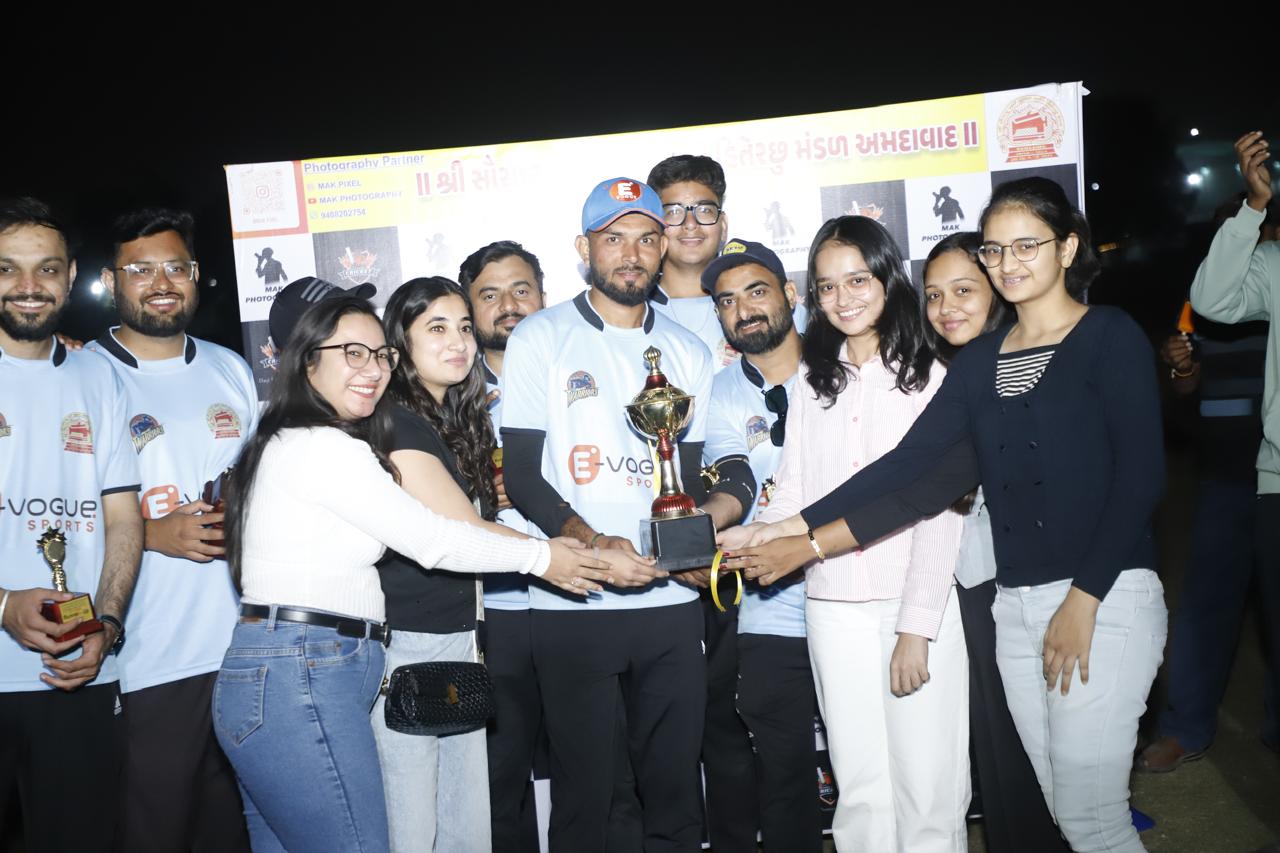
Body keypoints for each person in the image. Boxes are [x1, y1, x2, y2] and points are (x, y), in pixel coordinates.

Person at [728, 177, 1168, 853]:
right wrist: (785, 530)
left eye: (1026, 245)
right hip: (1015, 609)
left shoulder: (1108, 335)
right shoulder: (981, 362)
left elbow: (1141, 480)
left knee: (1091, 817)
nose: (1008, 262)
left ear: (1067, 247)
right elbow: (909, 474)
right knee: (1062, 806)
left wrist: (1084, 599)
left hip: (1101, 596)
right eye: (995, 249)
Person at [212, 295, 612, 853]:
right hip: (302, 668)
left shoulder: (292, 438)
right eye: (352, 353)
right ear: (307, 360)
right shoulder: (323, 446)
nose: (373, 369)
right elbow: (432, 539)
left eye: (380, 355)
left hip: (291, 666)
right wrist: (545, 558)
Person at [500, 176, 743, 852]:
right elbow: (522, 476)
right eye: (614, 239)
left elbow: (680, 484)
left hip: (668, 604)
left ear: (663, 247)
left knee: (673, 790)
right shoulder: (540, 337)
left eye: (645, 239)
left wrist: (689, 554)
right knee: (588, 799)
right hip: (574, 597)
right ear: (585, 249)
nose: (631, 254)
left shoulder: (689, 353)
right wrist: (595, 542)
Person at [727, 216, 966, 852]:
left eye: (858, 280)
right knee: (860, 788)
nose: (843, 298)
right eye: (828, 286)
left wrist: (917, 626)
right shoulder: (812, 381)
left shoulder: (933, 375)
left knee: (927, 788)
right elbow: (798, 490)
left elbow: (941, 509)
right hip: (832, 605)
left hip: (915, 604)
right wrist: (750, 537)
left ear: (889, 279)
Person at [89, 208, 256, 852]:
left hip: (241, 649)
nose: (161, 283)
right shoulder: (83, 373)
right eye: (141, 270)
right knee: (152, 831)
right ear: (111, 281)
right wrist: (151, 534)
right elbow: (51, 513)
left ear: (195, 275)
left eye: (175, 268)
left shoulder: (229, 367)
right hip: (147, 657)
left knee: (231, 832)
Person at [0, 197, 144, 853]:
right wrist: (4, 604)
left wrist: (107, 624)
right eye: (8, 268)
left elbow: (122, 517)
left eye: (47, 269)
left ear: (70, 275)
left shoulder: (99, 376)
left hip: (77, 673)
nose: (29, 286)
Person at [921, 232, 1069, 853]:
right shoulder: (936, 374)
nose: (946, 307)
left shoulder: (1035, 364)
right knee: (1000, 742)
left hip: (1040, 582)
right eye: (933, 295)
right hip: (969, 585)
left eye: (963, 290)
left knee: (1051, 746)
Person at [699, 238, 821, 852]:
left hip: (853, 585)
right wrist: (701, 529)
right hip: (768, 602)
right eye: (726, 301)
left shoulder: (845, 366)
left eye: (756, 292)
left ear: (790, 295)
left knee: (869, 758)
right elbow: (734, 475)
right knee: (784, 772)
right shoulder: (719, 391)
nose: (743, 309)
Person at [1175, 130, 1280, 769]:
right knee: (1212, 600)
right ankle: (1187, 725)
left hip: (1255, 464)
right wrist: (1252, 208)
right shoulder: (1253, 274)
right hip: (1241, 471)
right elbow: (1207, 306)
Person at [459, 240, 547, 853]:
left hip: (585, 599)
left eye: (521, 290)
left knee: (598, 766)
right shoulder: (447, 386)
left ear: (545, 295)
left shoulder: (580, 368)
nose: (509, 305)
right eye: (489, 295)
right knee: (500, 777)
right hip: (497, 608)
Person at [647, 154, 737, 370]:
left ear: (723, 226)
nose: (690, 224)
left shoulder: (759, 306)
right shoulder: (632, 312)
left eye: (704, 210)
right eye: (673, 212)